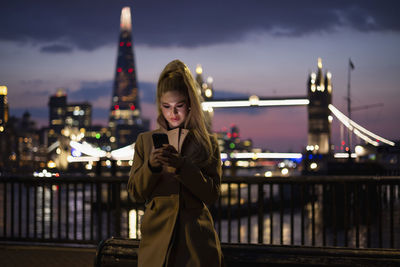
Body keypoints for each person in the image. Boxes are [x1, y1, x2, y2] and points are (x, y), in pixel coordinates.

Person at [128, 59, 223, 267]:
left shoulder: (207, 143)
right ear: (159, 106)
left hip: (196, 244)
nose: (173, 113)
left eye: (179, 106)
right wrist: (151, 166)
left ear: (190, 104)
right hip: (156, 242)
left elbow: (212, 194)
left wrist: (183, 166)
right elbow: (135, 193)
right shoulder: (145, 141)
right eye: (166, 106)